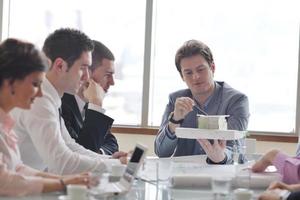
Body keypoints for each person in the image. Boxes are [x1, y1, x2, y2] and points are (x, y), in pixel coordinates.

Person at [11, 28, 126, 175]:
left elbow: (71, 146)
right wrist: (115, 166)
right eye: (83, 68)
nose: (86, 76)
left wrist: (113, 161)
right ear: (60, 66)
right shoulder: (39, 99)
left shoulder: (51, 97)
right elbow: (61, 162)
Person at [0, 38, 90, 196]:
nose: (40, 93)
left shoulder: (5, 123)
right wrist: (61, 183)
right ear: (10, 82)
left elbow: (18, 168)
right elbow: (5, 181)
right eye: (35, 84)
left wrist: (66, 181)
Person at [154, 40, 249, 164]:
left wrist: (220, 157)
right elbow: (161, 152)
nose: (195, 77)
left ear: (212, 68)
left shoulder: (236, 100)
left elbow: (234, 148)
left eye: (200, 69)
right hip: (183, 176)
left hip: (222, 175)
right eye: (188, 72)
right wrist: (175, 121)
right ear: (182, 76)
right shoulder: (176, 100)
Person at [61, 40, 118, 154]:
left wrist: (100, 153)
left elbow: (111, 143)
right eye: (108, 75)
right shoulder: (61, 105)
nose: (112, 82)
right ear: (88, 73)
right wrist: (96, 104)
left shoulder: (88, 105)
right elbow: (82, 154)